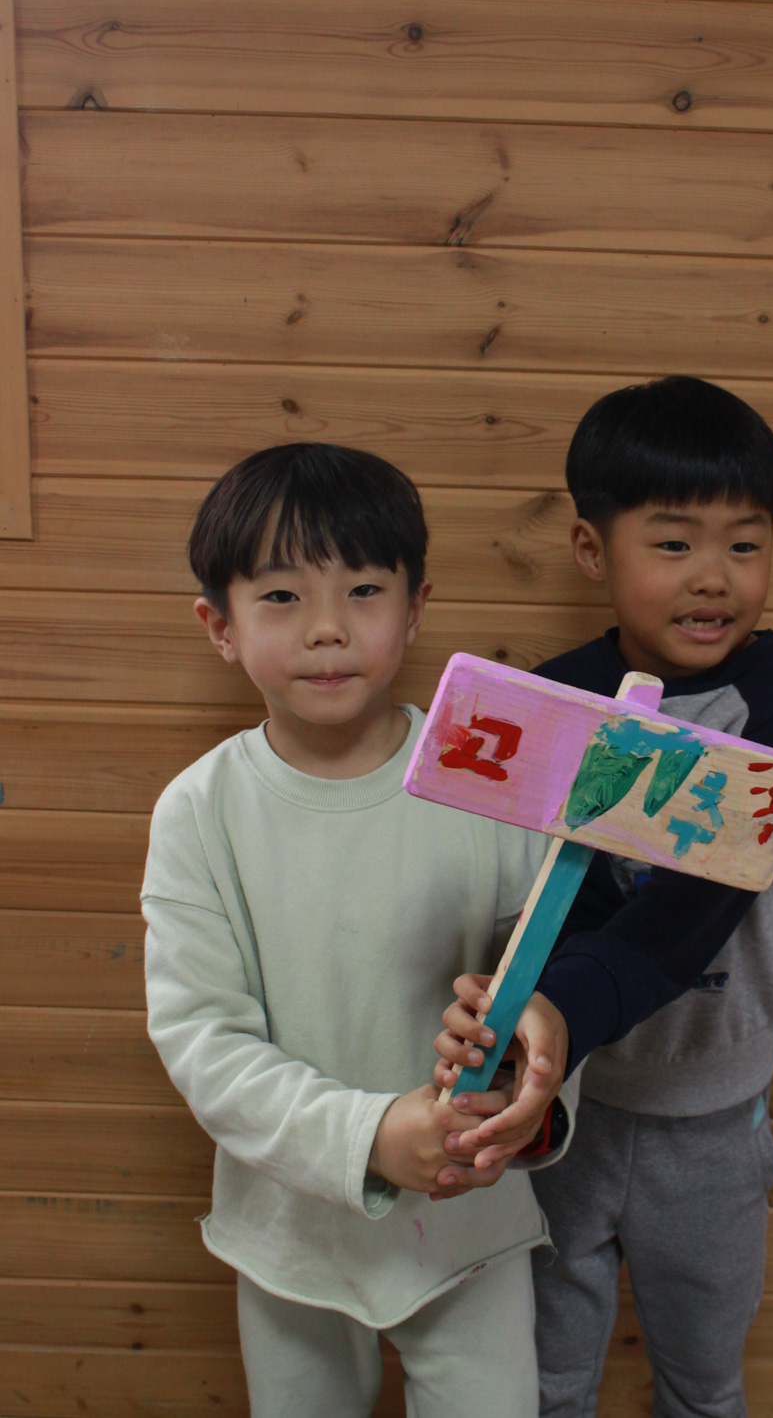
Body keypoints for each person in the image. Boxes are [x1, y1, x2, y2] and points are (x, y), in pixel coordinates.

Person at [141, 442, 569, 1418]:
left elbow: (548, 981)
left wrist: (528, 1085)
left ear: (415, 608)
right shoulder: (200, 813)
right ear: (219, 626)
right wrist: (370, 1135)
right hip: (290, 1237)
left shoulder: (492, 778)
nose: (328, 627)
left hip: (469, 1224)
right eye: (281, 596)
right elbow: (203, 1043)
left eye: (364, 590)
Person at [434, 376, 773, 1417]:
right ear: (590, 549)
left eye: (744, 544)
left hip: (714, 1123)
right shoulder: (554, 703)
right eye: (673, 543)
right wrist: (513, 1019)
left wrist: (556, 1007)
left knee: (702, 1386)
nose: (714, 577)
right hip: (569, 1107)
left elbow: (693, 907)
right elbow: (542, 899)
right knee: (547, 1382)